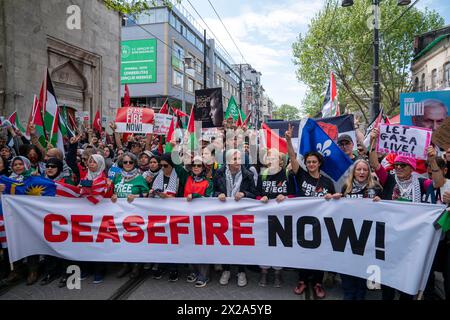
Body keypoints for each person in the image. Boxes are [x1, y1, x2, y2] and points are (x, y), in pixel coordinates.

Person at [369, 129, 443, 299]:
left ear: (411, 168)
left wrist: (432, 160)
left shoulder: (422, 182)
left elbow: (438, 182)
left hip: (411, 240)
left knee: (406, 280)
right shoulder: (389, 179)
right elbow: (375, 164)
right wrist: (373, 142)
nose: (399, 168)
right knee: (388, 280)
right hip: (390, 237)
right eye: (397, 165)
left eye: (403, 165)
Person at [286, 124, 336, 299]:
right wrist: (288, 140)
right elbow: (292, 157)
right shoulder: (301, 175)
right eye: (308, 162)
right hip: (302, 222)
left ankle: (317, 282)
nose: (311, 164)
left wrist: (334, 197)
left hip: (321, 225)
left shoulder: (328, 183)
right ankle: (302, 280)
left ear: (319, 163)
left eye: (314, 161)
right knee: (303, 253)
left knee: (319, 254)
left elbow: (335, 203)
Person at [332, 159, 382, 300]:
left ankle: (360, 293)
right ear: (354, 172)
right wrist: (335, 199)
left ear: (369, 172)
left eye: (364, 170)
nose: (361, 172)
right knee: (347, 264)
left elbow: (384, 212)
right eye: (358, 169)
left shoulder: (377, 188)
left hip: (367, 234)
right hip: (348, 233)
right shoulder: (345, 187)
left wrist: (381, 202)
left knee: (362, 264)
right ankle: (348, 293)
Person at [214, 149, 258, 287]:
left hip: (241, 214)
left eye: (239, 158)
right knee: (226, 241)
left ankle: (241, 271)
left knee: (240, 242)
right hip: (225, 214)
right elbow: (213, 190)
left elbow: (255, 193)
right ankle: (226, 269)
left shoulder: (248, 174)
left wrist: (244, 193)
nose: (238, 161)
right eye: (234, 159)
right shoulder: (219, 173)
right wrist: (218, 194)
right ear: (228, 161)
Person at [111, 153, 149, 279]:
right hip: (119, 215)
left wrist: (136, 197)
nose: (127, 164)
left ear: (134, 163)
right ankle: (126, 264)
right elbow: (113, 191)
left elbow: (147, 194)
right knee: (122, 240)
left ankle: (137, 266)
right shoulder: (117, 177)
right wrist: (113, 195)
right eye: (125, 162)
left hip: (135, 215)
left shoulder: (139, 178)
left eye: (130, 162)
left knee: (135, 241)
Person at [257, 148, 290, 288]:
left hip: (282, 217)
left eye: (274, 158)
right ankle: (264, 271)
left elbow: (295, 195)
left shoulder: (287, 174)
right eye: (269, 158)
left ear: (280, 161)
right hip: (265, 217)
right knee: (264, 244)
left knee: (279, 244)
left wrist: (286, 197)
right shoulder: (263, 174)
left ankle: (277, 273)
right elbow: (255, 194)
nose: (271, 160)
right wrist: (261, 197)